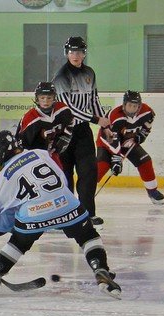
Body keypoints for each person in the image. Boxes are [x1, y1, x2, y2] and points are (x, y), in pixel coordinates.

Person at [0, 130, 121, 299]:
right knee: (88, 236)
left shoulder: (3, 177)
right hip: (66, 205)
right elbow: (61, 178)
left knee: (19, 242)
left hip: (33, 216)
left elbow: (1, 218)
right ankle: (100, 269)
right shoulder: (39, 153)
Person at [51, 36, 106, 226]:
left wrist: (105, 124)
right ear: (66, 53)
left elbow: (94, 100)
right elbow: (68, 109)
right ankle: (65, 215)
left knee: (89, 171)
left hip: (83, 131)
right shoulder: (61, 76)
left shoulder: (89, 73)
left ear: (84, 54)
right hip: (64, 132)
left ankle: (87, 213)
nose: (76, 55)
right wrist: (95, 119)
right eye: (72, 51)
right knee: (65, 174)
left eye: (79, 51)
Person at [95, 90, 164, 205]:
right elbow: (111, 138)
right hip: (107, 143)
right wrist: (116, 158)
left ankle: (152, 191)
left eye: (135, 106)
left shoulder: (147, 112)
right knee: (100, 169)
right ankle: (85, 195)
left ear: (139, 106)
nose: (132, 108)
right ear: (124, 105)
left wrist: (142, 135)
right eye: (129, 105)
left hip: (128, 142)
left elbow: (148, 124)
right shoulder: (116, 116)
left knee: (145, 161)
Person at [17, 82, 76, 168]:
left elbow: (70, 123)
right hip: (34, 157)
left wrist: (65, 138)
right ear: (37, 99)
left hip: (52, 153)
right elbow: (21, 144)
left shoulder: (63, 110)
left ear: (54, 98)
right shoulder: (30, 119)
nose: (46, 101)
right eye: (42, 98)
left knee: (60, 175)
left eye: (49, 98)